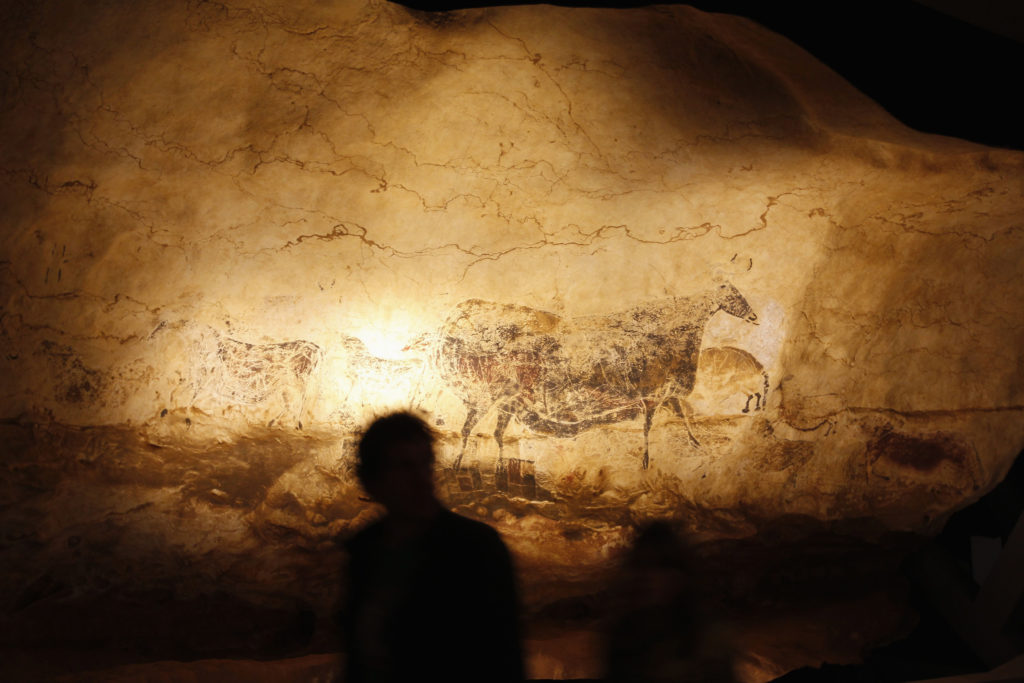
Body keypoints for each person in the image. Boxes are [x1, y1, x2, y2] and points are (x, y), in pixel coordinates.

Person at [340, 411, 524, 683]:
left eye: (425, 464)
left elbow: (504, 657)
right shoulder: (363, 550)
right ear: (372, 481)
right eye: (404, 467)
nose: (421, 479)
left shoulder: (475, 550)